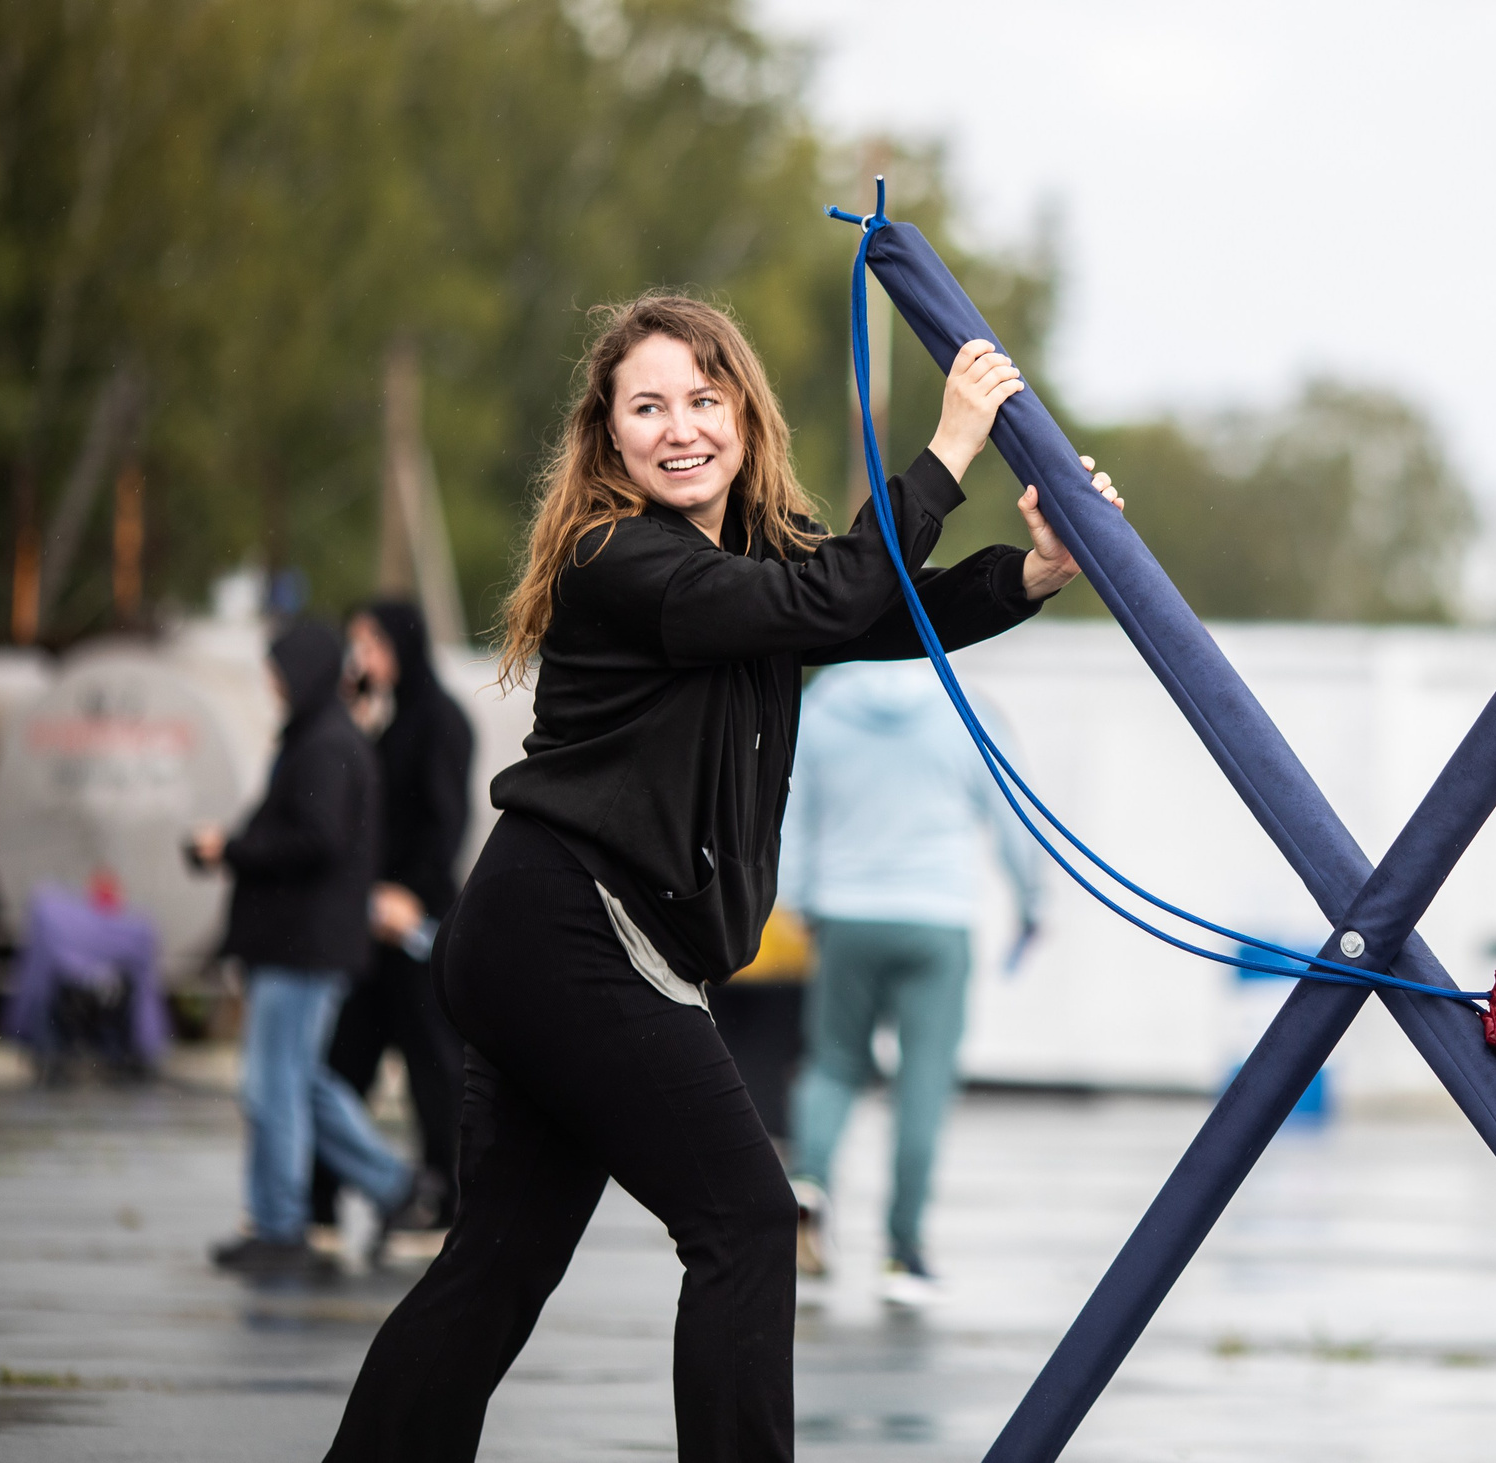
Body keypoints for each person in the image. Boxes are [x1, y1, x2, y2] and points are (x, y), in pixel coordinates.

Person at [324, 292, 1117, 1462]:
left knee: (494, 1268)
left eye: (704, 398)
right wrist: (950, 446)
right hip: (567, 929)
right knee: (745, 1221)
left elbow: (875, 611)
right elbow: (835, 594)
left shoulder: (745, 564)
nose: (680, 426)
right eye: (647, 406)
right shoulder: (616, 557)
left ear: (743, 415)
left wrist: (1034, 573)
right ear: (608, 435)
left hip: (554, 938)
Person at [780, 659, 1042, 1307]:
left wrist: (799, 899)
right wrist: (1031, 903)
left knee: (834, 1064)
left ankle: (810, 1182)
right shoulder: (964, 705)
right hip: (937, 918)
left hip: (845, 912)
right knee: (923, 1080)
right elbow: (1014, 815)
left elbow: (789, 807)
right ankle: (904, 1252)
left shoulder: (822, 704)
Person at [189, 619, 413, 1278]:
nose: (274, 684)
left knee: (273, 1085)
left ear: (308, 672)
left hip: (302, 945)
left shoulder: (325, 744)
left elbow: (316, 839)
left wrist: (230, 849)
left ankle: (281, 1225)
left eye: (281, 671)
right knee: (298, 1082)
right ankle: (396, 1188)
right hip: (304, 942)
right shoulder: (323, 737)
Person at [314, 599, 475, 1233]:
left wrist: (411, 893)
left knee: (433, 1066)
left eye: (373, 645)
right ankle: (318, 1200)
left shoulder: (439, 719)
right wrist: (349, 713)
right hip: (369, 923)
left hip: (414, 925)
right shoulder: (384, 721)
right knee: (344, 1058)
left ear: (403, 645)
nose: (363, 660)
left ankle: (447, 1201)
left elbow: (446, 820)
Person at [2, 873, 168, 1083]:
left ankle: (69, 1061)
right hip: (87, 1003)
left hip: (81, 1001)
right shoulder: (131, 931)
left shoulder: (67, 923)